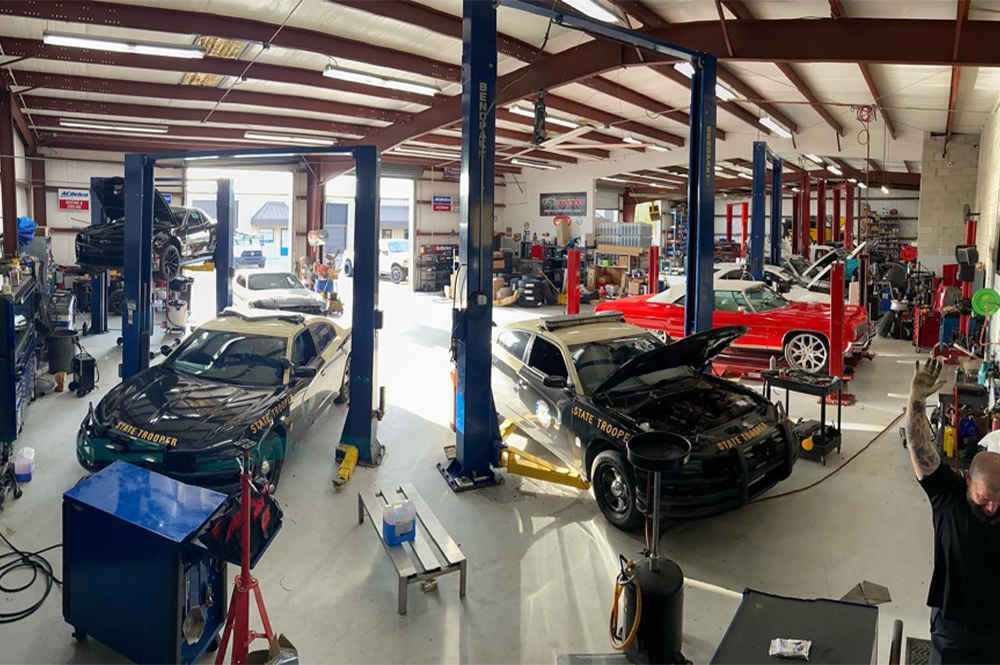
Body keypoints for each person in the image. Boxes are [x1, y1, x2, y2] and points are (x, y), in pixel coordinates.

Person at [906, 359, 1000, 663]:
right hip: (952, 630)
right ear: (969, 481)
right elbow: (919, 446)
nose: (993, 507)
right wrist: (916, 401)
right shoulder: (948, 495)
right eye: (986, 499)